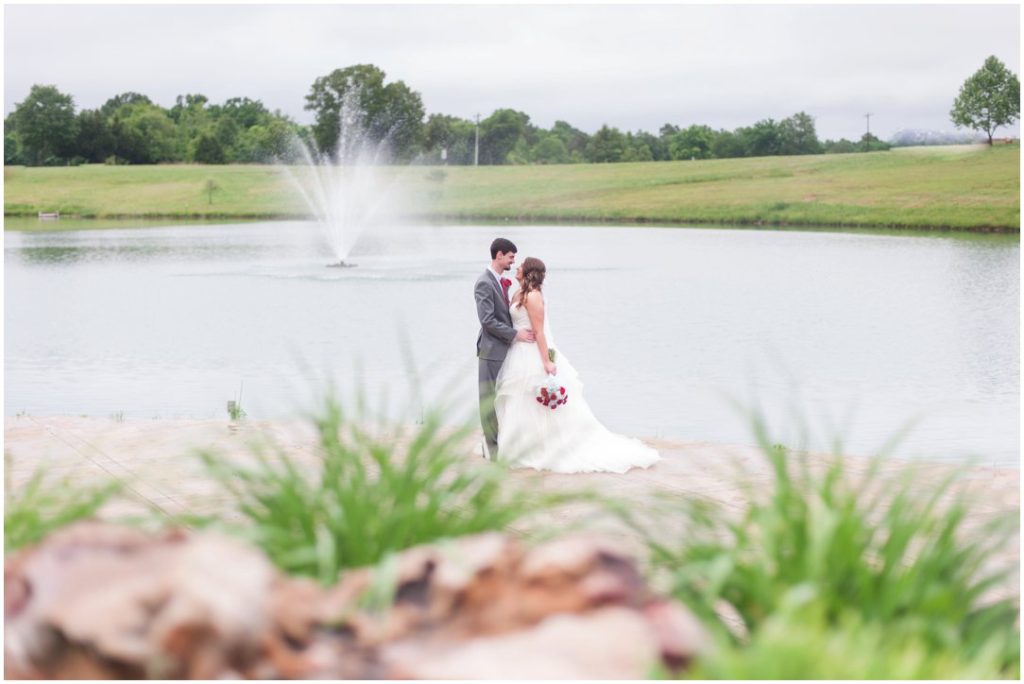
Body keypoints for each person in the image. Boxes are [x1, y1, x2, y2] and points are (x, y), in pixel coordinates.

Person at [494, 257, 660, 473]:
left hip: (532, 353)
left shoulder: (534, 297)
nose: (517, 267)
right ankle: (518, 446)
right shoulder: (518, 293)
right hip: (517, 352)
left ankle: (542, 447)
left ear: (528, 272)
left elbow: (540, 332)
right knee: (518, 400)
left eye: (521, 265)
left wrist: (547, 361)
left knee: (533, 400)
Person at [475, 238, 535, 460]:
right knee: (487, 399)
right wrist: (515, 334)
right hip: (491, 351)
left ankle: (502, 444)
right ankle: (492, 450)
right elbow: (487, 320)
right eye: (510, 257)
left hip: (507, 351)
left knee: (502, 399)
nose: (513, 261)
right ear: (499, 255)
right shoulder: (484, 282)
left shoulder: (500, 282)